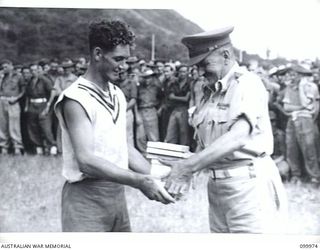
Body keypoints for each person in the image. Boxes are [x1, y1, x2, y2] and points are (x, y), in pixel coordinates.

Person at [162, 26, 287, 233]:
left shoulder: (247, 84)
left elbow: (237, 137)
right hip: (217, 188)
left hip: (249, 187)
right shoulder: (208, 92)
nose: (200, 72)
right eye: (197, 66)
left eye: (204, 64)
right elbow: (209, 144)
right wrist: (178, 164)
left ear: (226, 55)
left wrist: (187, 167)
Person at [54, 19, 174, 232]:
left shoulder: (116, 93)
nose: (124, 67)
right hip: (86, 199)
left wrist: (157, 176)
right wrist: (140, 182)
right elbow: (87, 161)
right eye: (118, 59)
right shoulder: (76, 98)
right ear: (98, 54)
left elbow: (123, 147)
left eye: (127, 60)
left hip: (116, 197)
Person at [282, 65, 320, 183]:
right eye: (291, 75)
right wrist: (300, 108)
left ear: (301, 75)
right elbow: (286, 107)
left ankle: (314, 176)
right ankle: (295, 174)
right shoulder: (289, 88)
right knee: (291, 147)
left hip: (306, 119)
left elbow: (314, 106)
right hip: (292, 119)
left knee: (309, 147)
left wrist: (310, 116)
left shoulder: (310, 87)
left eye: (295, 75)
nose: (292, 77)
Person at [25, 63, 57, 155]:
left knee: (45, 127)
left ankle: (52, 148)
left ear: (40, 70)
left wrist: (48, 105)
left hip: (43, 104)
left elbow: (52, 92)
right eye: (32, 70)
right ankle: (39, 148)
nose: (34, 72)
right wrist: (27, 106)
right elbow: (28, 94)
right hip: (32, 105)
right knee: (33, 127)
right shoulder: (30, 81)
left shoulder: (45, 80)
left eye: (36, 70)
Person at [0, 59, 25, 154]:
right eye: (3, 67)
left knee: (14, 125)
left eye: (6, 67)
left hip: (13, 101)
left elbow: (23, 90)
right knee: (2, 125)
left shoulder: (18, 76)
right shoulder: (2, 77)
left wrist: (16, 98)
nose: (4, 69)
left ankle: (17, 146)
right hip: (2, 100)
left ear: (11, 66)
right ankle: (4, 146)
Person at [165, 64, 191, 146]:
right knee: (171, 132)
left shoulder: (190, 83)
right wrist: (180, 98)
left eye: (184, 72)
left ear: (187, 72)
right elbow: (170, 96)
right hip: (175, 109)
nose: (182, 73)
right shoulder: (174, 83)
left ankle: (183, 152)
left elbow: (187, 99)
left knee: (184, 133)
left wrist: (175, 97)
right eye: (181, 72)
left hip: (184, 109)